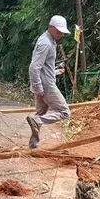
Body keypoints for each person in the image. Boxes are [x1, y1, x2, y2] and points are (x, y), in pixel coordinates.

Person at [27, 15, 73, 148]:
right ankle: (37, 121)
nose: (60, 34)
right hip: (46, 86)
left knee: (40, 114)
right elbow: (34, 67)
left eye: (62, 32)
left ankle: (33, 144)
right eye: (58, 31)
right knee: (65, 113)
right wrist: (39, 88)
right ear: (50, 27)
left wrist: (56, 71)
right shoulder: (46, 43)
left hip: (44, 83)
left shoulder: (49, 40)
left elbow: (43, 67)